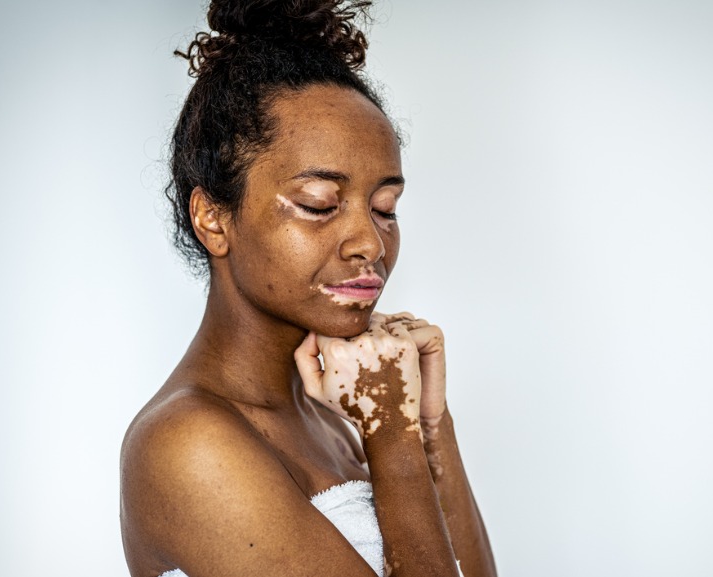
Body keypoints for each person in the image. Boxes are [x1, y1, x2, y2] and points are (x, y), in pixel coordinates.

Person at [120, 1, 496, 575]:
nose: (369, 243)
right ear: (213, 218)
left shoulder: (335, 414)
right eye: (320, 205)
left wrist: (428, 426)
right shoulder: (186, 444)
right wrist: (390, 434)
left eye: (385, 208)